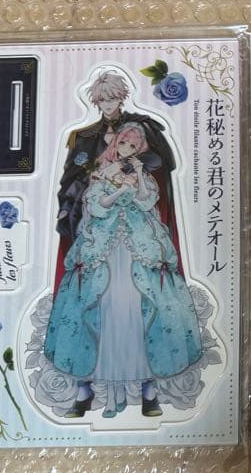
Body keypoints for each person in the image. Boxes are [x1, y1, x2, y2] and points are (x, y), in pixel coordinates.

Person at [43, 122, 204, 418]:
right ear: (115, 144)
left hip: (138, 243)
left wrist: (139, 176)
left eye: (133, 146)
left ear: (140, 149)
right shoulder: (102, 171)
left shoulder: (142, 174)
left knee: (140, 303)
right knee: (97, 302)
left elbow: (147, 202)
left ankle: (148, 389)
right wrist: (118, 193)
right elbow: (97, 205)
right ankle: (85, 388)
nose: (127, 149)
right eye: (123, 144)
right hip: (102, 244)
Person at [54, 69, 180, 292]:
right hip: (96, 209)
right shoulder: (84, 136)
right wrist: (67, 205)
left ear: (121, 97)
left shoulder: (141, 126)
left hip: (135, 210)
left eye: (112, 98)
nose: (108, 104)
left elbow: (161, 160)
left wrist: (124, 165)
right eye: (102, 100)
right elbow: (71, 175)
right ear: (96, 101)